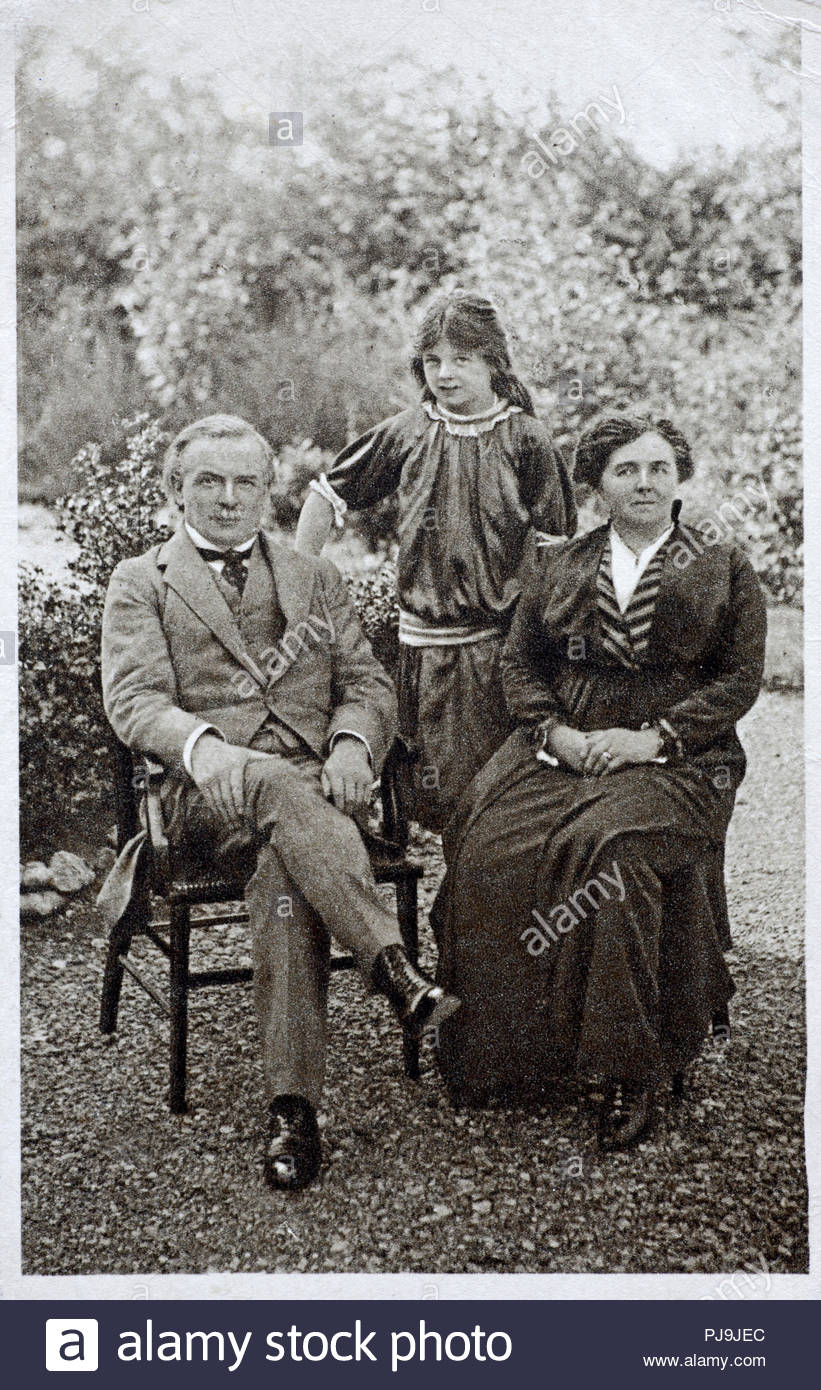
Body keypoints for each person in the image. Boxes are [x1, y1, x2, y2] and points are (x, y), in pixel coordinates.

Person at [97, 414, 459, 1191]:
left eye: (245, 482)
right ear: (175, 489)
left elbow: (364, 684)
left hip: (311, 801)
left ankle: (292, 1110)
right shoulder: (142, 581)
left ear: (268, 491)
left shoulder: (313, 578)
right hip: (206, 796)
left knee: (288, 878)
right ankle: (389, 966)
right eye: (208, 481)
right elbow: (133, 701)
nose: (228, 498)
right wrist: (204, 745)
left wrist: (355, 743)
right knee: (271, 784)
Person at [431, 412, 767, 1150]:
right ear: (596, 485)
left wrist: (655, 740)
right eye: (626, 471)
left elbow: (739, 678)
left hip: (683, 755)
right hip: (569, 741)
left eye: (657, 469)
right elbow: (518, 663)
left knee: (608, 849)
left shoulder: (721, 562)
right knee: (487, 849)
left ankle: (626, 1069)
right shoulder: (558, 560)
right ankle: (507, 1057)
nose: (644, 483)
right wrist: (555, 733)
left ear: (678, 477)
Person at [295, 291, 577, 832]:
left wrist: (545, 648)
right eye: (432, 361)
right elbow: (326, 493)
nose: (445, 374)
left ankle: (493, 909)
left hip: (501, 653)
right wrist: (300, 581)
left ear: (493, 361)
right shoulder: (406, 431)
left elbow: (558, 556)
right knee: (438, 795)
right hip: (422, 654)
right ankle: (461, 909)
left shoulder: (527, 439)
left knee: (505, 800)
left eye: (461, 359)